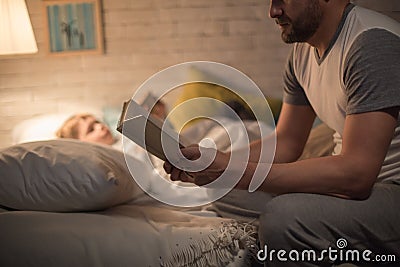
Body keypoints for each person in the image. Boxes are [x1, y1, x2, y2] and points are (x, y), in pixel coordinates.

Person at [164, 0, 400, 266]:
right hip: (350, 185)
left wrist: (232, 170)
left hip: (389, 188)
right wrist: (214, 161)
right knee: (224, 191)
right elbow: (286, 141)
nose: (273, 12)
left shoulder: (371, 43)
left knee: (285, 217)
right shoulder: (302, 53)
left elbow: (356, 175)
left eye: (283, 0)